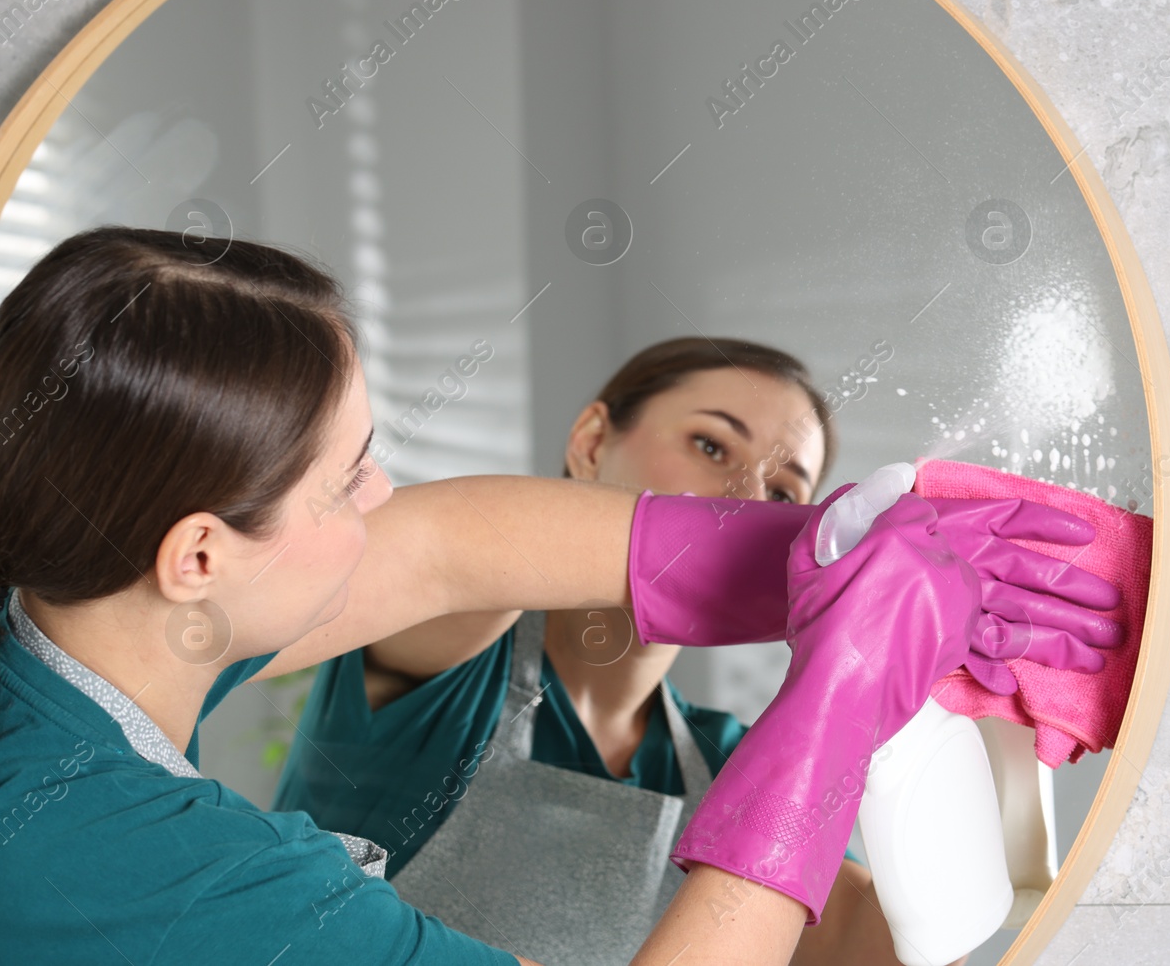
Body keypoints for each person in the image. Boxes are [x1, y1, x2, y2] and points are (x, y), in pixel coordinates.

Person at [0, 226, 1126, 965]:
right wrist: (835, 705)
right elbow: (445, 563)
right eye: (345, 481)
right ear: (198, 554)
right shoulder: (168, 866)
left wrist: (824, 553)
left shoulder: (84, 632)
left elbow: (442, 544)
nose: (381, 494)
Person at [275, 337, 946, 964]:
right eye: (712, 446)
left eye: (782, 495)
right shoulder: (448, 656)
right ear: (592, 441)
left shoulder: (734, 761)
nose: (746, 499)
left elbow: (906, 944)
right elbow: (456, 555)